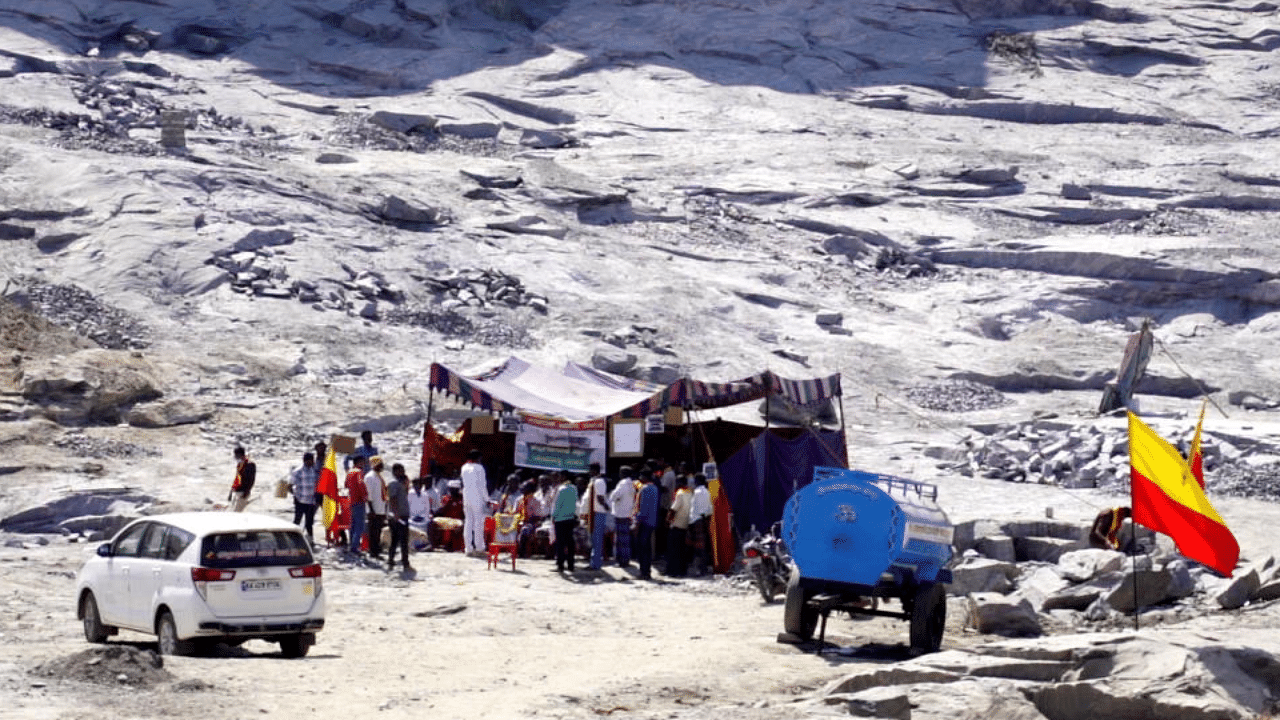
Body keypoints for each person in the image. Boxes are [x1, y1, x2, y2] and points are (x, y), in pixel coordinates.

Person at [461, 449, 489, 557]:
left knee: (468, 522)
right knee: (478, 523)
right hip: (477, 497)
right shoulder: (479, 468)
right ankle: (479, 548)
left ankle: (468, 548)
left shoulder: (464, 467)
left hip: (466, 497)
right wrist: (487, 499)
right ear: (478, 458)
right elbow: (482, 486)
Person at [385, 463, 412, 572]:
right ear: (396, 471)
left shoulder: (401, 483)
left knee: (399, 540)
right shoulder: (394, 483)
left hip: (402, 514)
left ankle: (394, 560)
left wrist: (406, 485)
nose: (403, 472)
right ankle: (404, 562)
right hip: (397, 516)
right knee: (400, 540)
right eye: (401, 470)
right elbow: (393, 499)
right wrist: (396, 514)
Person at [609, 465, 637, 568]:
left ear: (624, 473)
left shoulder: (622, 483)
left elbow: (614, 496)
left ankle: (621, 561)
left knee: (620, 540)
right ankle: (626, 559)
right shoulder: (632, 484)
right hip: (627, 513)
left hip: (620, 514)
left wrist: (614, 496)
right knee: (626, 539)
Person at [552, 472, 579, 573]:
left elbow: (557, 505)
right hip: (570, 518)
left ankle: (560, 565)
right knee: (570, 542)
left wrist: (554, 516)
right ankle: (571, 565)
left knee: (560, 543)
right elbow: (575, 502)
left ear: (564, 477)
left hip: (560, 519)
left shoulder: (561, 489)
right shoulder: (574, 488)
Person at [634, 470, 659, 580]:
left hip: (644, 522)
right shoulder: (655, 488)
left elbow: (643, 509)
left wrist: (637, 523)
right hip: (652, 521)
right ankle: (647, 571)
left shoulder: (644, 489)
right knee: (647, 548)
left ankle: (643, 572)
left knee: (642, 548)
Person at [666, 475, 692, 577]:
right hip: (686, 525)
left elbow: (673, 509)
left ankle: (672, 572)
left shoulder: (680, 494)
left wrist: (668, 521)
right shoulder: (690, 493)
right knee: (682, 551)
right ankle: (682, 571)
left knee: (673, 550)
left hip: (676, 525)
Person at [289, 452, 319, 542]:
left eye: (312, 460)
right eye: (310, 460)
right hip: (300, 501)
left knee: (309, 522)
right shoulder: (297, 471)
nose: (312, 462)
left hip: (311, 501)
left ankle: (310, 540)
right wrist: (296, 496)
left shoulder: (314, 471)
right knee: (297, 520)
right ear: (305, 461)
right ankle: (293, 538)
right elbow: (290, 486)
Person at [587, 463, 611, 570]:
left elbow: (600, 498)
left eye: (590, 470)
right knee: (594, 539)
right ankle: (593, 562)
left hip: (599, 512)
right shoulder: (594, 481)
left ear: (594, 470)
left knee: (597, 539)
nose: (589, 472)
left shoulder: (599, 481)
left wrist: (606, 507)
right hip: (595, 512)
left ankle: (596, 563)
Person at [364, 456, 389, 559]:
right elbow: (368, 495)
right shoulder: (370, 477)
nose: (382, 466)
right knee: (373, 531)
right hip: (373, 509)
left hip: (380, 508)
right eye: (380, 464)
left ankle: (376, 550)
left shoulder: (378, 476)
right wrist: (371, 510)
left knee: (378, 531)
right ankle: (373, 552)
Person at [688, 473, 712, 575]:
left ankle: (701, 569)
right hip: (704, 518)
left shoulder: (697, 492)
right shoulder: (707, 491)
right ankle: (703, 567)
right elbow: (709, 508)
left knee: (698, 546)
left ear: (697, 481)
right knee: (702, 546)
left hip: (696, 520)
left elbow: (693, 508)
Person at [345, 456, 369, 555]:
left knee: (353, 525)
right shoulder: (359, 472)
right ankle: (355, 547)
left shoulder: (350, 472)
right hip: (359, 500)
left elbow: (346, 484)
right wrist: (365, 495)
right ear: (359, 462)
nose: (364, 464)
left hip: (352, 500)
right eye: (363, 462)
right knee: (359, 525)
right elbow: (361, 483)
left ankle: (351, 544)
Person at [228, 446, 256, 512]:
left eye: (236, 455)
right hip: (237, 491)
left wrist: (246, 492)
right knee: (233, 512)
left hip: (243, 493)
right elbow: (237, 478)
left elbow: (251, 480)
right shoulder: (240, 464)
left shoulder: (250, 464)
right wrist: (231, 491)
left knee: (236, 514)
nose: (235, 457)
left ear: (241, 455)